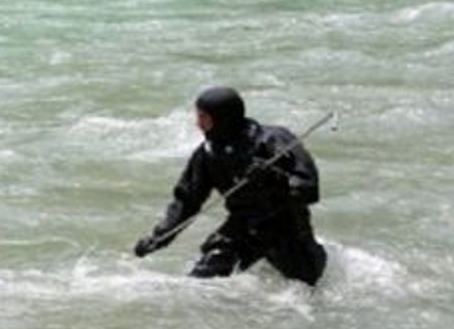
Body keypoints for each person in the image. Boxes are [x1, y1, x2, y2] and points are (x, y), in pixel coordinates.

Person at [132, 87, 328, 285]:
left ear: (223, 118)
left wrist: (273, 176)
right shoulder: (207, 155)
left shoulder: (273, 140)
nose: (198, 124)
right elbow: (187, 200)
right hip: (242, 225)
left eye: (203, 117)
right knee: (203, 279)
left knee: (306, 285)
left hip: (284, 223)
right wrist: (160, 237)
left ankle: (313, 255)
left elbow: (309, 188)